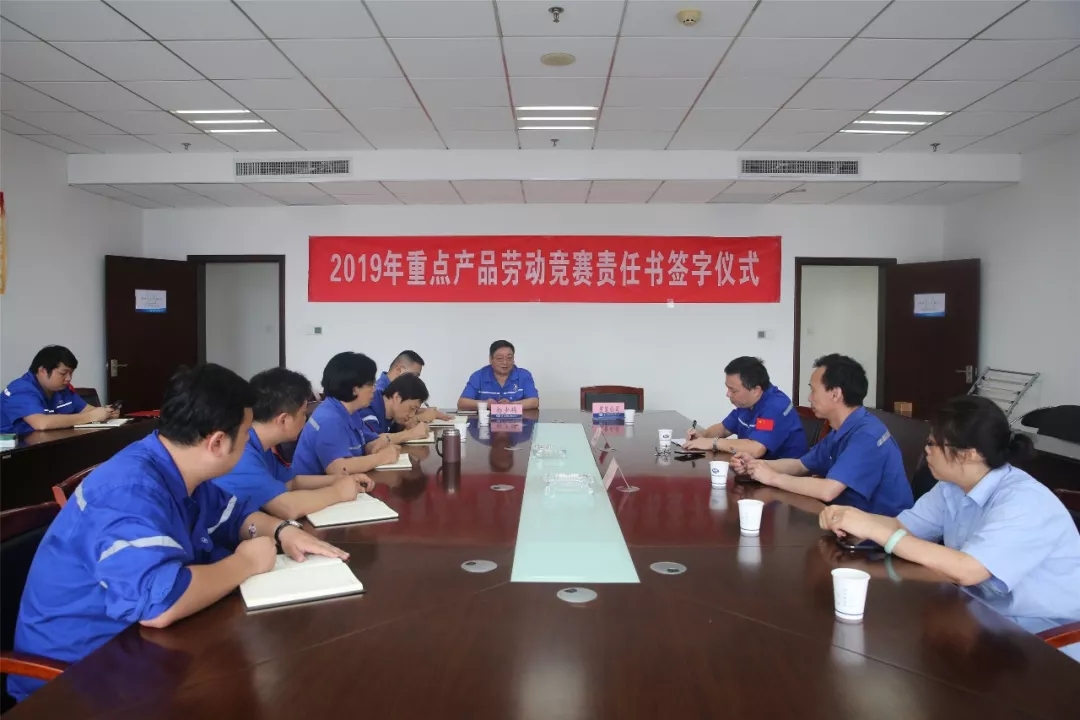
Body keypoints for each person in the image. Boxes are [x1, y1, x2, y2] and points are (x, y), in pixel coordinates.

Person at [8, 364, 348, 702]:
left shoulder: (177, 465)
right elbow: (159, 605)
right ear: (217, 442)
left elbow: (234, 517)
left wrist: (282, 531)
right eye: (246, 433)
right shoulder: (129, 490)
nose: (250, 441)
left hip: (136, 650)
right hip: (75, 681)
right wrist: (246, 563)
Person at [821, 395, 1080, 661]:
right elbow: (904, 526)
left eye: (933, 444)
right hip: (983, 618)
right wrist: (852, 519)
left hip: (1047, 639)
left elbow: (968, 570)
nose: (926, 451)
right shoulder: (952, 486)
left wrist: (877, 531)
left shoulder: (1024, 501)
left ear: (969, 455)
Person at [735, 354, 913, 516]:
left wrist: (773, 478)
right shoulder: (841, 429)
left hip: (880, 531)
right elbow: (801, 465)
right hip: (845, 518)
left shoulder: (867, 435)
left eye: (813, 391)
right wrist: (756, 465)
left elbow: (828, 490)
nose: (809, 398)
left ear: (835, 394)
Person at [211, 367, 376, 521]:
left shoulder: (260, 444)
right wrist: (338, 492)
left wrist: (339, 479)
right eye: (303, 414)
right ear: (284, 420)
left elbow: (291, 482)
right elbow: (287, 507)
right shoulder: (242, 452)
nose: (306, 419)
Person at [290, 352, 401, 476]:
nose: (374, 389)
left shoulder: (350, 412)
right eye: (371, 384)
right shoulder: (329, 419)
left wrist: (373, 446)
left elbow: (368, 442)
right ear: (354, 389)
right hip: (315, 487)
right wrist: (381, 458)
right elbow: (339, 469)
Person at [682, 356, 808, 459]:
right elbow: (724, 428)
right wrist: (703, 435)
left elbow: (756, 449)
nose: (728, 394)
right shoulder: (747, 403)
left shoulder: (775, 407)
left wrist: (713, 443)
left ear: (755, 390)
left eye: (733, 390)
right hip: (756, 469)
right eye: (727, 388)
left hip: (786, 475)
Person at [1, 345, 118, 434]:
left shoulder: (62, 389)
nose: (68, 378)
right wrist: (91, 417)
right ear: (43, 371)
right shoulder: (20, 389)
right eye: (63, 373)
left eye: (71, 373)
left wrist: (106, 412)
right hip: (12, 452)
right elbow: (41, 423)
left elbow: (89, 410)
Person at [359, 351, 451, 433]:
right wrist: (418, 418)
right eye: (414, 375)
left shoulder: (391, 392)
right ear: (399, 369)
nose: (414, 380)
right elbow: (374, 441)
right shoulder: (376, 395)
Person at [457, 340, 539, 411]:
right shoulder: (478, 376)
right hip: (486, 422)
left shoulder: (524, 375)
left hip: (517, 423)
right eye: (499, 358)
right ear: (490, 359)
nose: (505, 362)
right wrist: (486, 404)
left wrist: (511, 405)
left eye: (509, 358)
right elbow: (462, 403)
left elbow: (534, 402)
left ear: (513, 359)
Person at [362, 373, 435, 452]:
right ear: (397, 397)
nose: (412, 415)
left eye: (415, 410)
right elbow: (373, 444)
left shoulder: (390, 412)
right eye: (412, 408)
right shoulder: (368, 408)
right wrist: (411, 434)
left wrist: (404, 426)